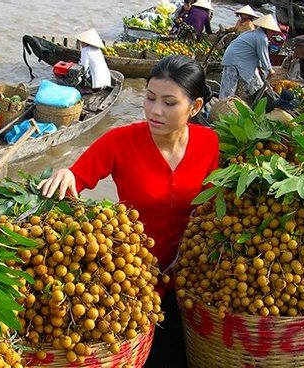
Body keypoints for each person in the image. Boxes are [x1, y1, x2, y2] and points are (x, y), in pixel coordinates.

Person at [38, 55, 219, 368]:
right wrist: (65, 174)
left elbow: (216, 206)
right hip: (132, 281)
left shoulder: (210, 142)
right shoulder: (119, 141)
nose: (155, 111)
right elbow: (77, 176)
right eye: (149, 98)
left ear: (196, 106)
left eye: (169, 102)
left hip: (191, 280)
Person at [219, 14, 281, 99]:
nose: (273, 35)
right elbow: (264, 57)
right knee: (228, 89)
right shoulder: (261, 38)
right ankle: (222, 107)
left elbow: (259, 58)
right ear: (268, 30)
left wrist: (263, 69)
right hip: (233, 59)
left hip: (240, 59)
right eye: (272, 32)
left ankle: (254, 99)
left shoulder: (256, 34)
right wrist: (270, 70)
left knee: (257, 84)